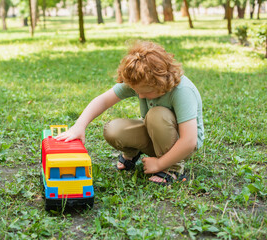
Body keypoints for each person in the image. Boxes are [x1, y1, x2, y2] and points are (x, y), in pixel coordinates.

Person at [55, 41, 204, 185]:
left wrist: (159, 164)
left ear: (159, 83)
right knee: (114, 130)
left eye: (145, 92)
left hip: (181, 146)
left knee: (157, 115)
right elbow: (103, 101)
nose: (140, 96)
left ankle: (172, 168)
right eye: (137, 91)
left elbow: (189, 141)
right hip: (155, 132)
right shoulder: (142, 81)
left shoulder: (182, 91)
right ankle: (134, 154)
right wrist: (79, 125)